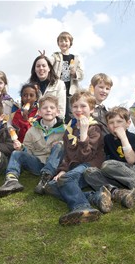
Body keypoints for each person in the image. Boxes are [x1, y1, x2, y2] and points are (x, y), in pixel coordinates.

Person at [44, 90, 105, 226]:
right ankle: (95, 197)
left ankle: (82, 207)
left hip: (90, 166)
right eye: (75, 106)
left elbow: (86, 156)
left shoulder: (95, 129)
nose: (79, 110)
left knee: (67, 180)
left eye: (83, 106)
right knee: (51, 185)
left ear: (92, 109)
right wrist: (62, 170)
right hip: (74, 167)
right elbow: (67, 153)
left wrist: (83, 134)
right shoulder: (70, 128)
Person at [83, 107, 135, 213]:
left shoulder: (132, 137)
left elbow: (131, 160)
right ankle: (117, 193)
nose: (115, 125)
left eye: (119, 121)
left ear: (128, 123)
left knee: (108, 165)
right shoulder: (107, 139)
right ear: (107, 126)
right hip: (117, 176)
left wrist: (123, 138)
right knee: (89, 172)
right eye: (111, 123)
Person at [0, 94, 65, 197]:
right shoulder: (32, 131)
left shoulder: (64, 130)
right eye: (45, 108)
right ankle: (11, 180)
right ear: (39, 112)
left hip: (54, 165)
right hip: (38, 163)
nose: (48, 110)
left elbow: (69, 149)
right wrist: (22, 148)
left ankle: (45, 180)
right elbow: (29, 150)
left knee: (60, 146)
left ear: (57, 111)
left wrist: (61, 143)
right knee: (16, 153)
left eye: (52, 108)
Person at [50, 31, 84, 122]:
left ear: (70, 43)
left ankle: (69, 130)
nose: (63, 43)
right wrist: (43, 59)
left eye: (66, 41)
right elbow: (48, 63)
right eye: (61, 41)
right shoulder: (56, 56)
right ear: (58, 43)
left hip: (71, 90)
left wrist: (74, 73)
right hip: (57, 88)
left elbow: (81, 74)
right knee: (57, 110)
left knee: (70, 112)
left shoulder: (75, 58)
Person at [29, 54, 66, 120]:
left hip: (54, 125)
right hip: (34, 124)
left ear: (49, 68)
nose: (41, 68)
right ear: (34, 69)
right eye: (38, 66)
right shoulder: (30, 87)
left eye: (44, 66)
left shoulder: (59, 84)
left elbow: (61, 110)